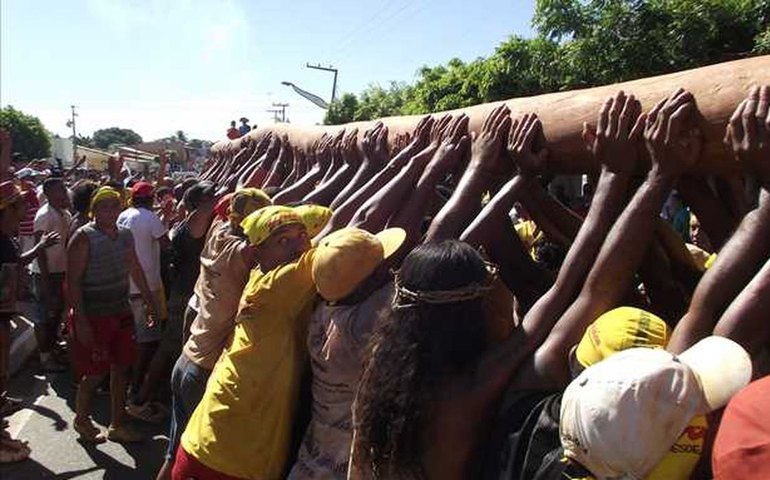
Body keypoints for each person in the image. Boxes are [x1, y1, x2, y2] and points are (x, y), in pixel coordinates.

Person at [172, 205, 352, 480]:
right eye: (283, 241)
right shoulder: (278, 286)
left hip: (208, 434)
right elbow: (353, 233)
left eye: (302, 235)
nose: (298, 246)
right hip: (231, 459)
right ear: (256, 252)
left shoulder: (263, 274)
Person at [155, 187, 272, 480]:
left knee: (174, 453)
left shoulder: (217, 232)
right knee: (192, 464)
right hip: (204, 371)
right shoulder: (245, 254)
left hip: (187, 360)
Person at [67, 186, 158, 443]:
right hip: (95, 315)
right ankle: (82, 419)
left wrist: (149, 302)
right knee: (95, 373)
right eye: (104, 206)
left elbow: (135, 267)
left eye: (114, 206)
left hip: (121, 310)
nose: (110, 211)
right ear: (94, 210)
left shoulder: (125, 235)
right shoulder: (83, 237)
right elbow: (73, 282)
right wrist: (80, 320)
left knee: (122, 368)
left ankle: (117, 424)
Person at [0, 180, 60, 463]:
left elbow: (17, 262)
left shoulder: (6, 237)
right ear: (7, 209)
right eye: (20, 204)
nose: (26, 209)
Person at [117, 182, 170, 423]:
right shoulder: (149, 217)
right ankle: (135, 394)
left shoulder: (124, 215)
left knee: (134, 339)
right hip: (145, 288)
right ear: (150, 199)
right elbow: (166, 243)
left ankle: (128, 385)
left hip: (126, 287)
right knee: (146, 342)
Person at [31, 177, 72, 372]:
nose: (64, 192)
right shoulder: (44, 215)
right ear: (47, 194)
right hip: (45, 274)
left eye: (64, 188)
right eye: (59, 190)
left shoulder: (64, 213)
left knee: (55, 314)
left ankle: (52, 347)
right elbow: (39, 248)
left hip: (60, 271)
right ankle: (44, 356)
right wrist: (46, 279)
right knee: (43, 316)